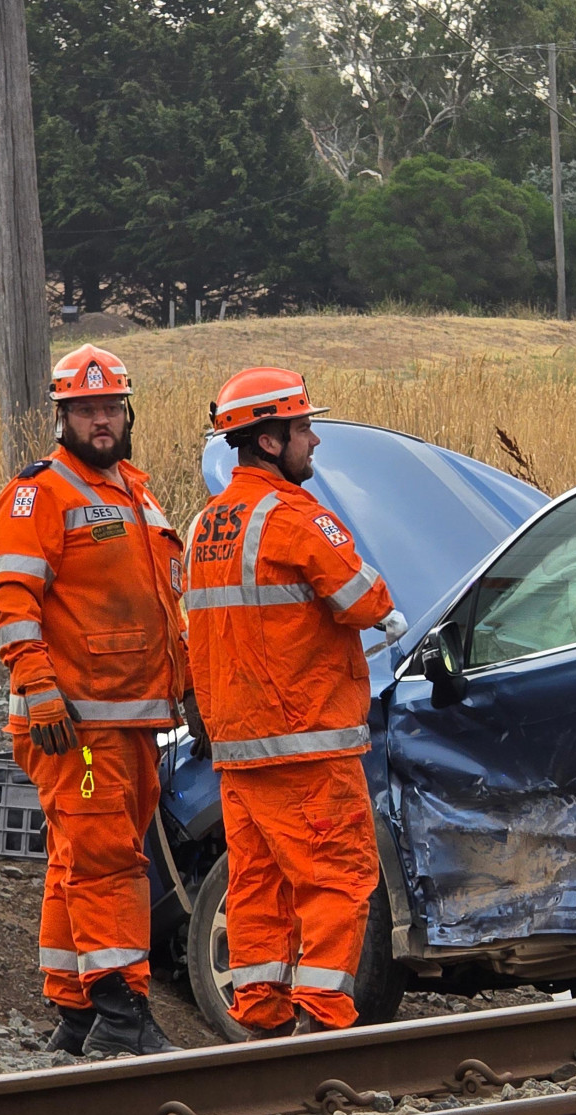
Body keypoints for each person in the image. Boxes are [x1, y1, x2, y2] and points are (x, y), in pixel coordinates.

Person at [0, 344, 206, 1057]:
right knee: (108, 859)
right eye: (86, 410)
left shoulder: (134, 492)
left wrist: (190, 688)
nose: (101, 420)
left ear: (126, 410)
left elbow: (165, 607)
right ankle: (122, 1011)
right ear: (63, 416)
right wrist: (39, 688)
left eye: (110, 407)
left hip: (130, 719)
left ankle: (76, 1008)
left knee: (78, 857)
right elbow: (12, 598)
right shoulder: (40, 493)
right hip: (74, 725)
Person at [183, 367, 406, 1037]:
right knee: (340, 875)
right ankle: (324, 1020)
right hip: (307, 742)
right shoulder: (295, 517)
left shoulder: (204, 528)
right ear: (270, 439)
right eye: (303, 427)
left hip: (236, 752)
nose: (313, 439)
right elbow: (369, 600)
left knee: (258, 885)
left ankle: (260, 1021)